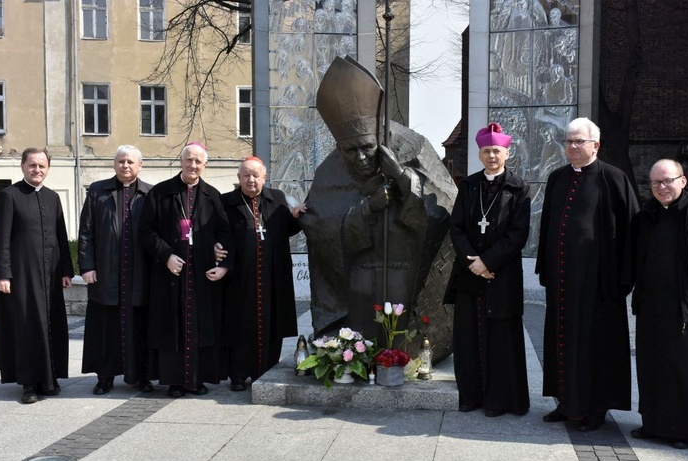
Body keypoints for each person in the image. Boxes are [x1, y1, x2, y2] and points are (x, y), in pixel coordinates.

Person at [300, 56, 457, 357]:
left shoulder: (415, 148)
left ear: (379, 141)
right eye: (351, 150)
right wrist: (366, 209)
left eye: (367, 148)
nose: (360, 157)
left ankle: (413, 352)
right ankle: (351, 351)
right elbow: (319, 225)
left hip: (408, 276)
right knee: (364, 336)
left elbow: (442, 211)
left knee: (403, 336)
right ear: (339, 148)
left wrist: (401, 177)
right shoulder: (328, 172)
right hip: (358, 283)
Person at [536, 117, 639, 431]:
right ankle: (566, 403)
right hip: (563, 280)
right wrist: (544, 267)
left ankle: (596, 407)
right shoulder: (557, 178)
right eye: (568, 141)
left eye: (579, 141)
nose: (572, 146)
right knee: (562, 340)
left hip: (598, 284)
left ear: (596, 144)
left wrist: (623, 278)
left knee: (596, 346)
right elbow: (547, 226)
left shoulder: (614, 178)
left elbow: (632, 231)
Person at [444, 123, 531, 417]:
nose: (492, 155)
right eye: (486, 151)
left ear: (506, 153)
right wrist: (473, 263)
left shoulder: (519, 188)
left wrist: (488, 262)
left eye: (497, 150)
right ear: (479, 154)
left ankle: (500, 399)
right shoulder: (468, 187)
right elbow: (455, 227)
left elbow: (518, 234)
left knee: (501, 338)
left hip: (501, 275)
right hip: (471, 275)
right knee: (469, 335)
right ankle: (470, 396)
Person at [140, 142, 234, 398]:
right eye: (189, 160)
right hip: (170, 274)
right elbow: (146, 232)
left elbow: (224, 232)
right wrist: (166, 255)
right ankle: (174, 381)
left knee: (200, 325)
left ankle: (197, 379)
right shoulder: (160, 193)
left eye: (198, 162)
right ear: (181, 161)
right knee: (173, 326)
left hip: (201, 275)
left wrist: (220, 251)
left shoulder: (212, 195)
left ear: (205, 165)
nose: (193, 165)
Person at [630, 159, 688, 449]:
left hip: (687, 307)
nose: (662, 188)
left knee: (683, 371)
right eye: (655, 183)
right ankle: (653, 424)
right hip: (651, 305)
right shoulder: (646, 215)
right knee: (651, 367)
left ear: (682, 181)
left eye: (668, 181)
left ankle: (682, 429)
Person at [0, 147, 74, 404]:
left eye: (42, 166)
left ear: (48, 169)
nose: (37, 170)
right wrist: (2, 274)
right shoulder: (9, 196)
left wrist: (67, 271)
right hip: (22, 276)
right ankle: (28, 384)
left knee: (50, 325)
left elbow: (61, 236)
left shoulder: (52, 197)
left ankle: (49, 379)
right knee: (26, 327)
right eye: (32, 165)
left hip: (50, 276)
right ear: (23, 166)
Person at [216, 156, 305, 391]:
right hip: (239, 279)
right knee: (238, 326)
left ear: (264, 177)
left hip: (272, 278)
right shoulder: (227, 202)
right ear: (239, 178)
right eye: (246, 175)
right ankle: (237, 375)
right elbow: (218, 232)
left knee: (271, 324)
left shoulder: (276, 198)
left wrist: (296, 217)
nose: (251, 179)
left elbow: (286, 228)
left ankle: (265, 371)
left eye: (256, 175)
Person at [78, 145, 153, 395]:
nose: (126, 165)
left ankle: (142, 376)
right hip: (106, 273)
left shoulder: (149, 194)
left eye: (131, 162)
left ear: (140, 166)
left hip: (139, 274)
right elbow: (86, 232)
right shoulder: (98, 191)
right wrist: (87, 266)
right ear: (114, 164)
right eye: (121, 161)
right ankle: (105, 377)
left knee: (140, 327)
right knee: (105, 328)